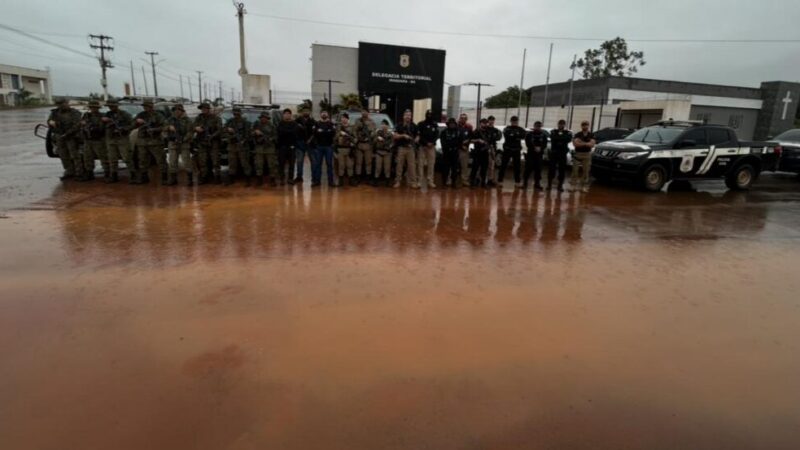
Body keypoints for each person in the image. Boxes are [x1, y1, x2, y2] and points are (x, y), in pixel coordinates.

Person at [47, 99, 83, 181]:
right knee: (63, 155)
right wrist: (50, 122)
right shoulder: (55, 112)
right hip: (59, 136)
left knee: (74, 155)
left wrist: (67, 133)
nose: (61, 106)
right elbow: (49, 121)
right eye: (59, 104)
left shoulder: (74, 112)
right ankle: (69, 171)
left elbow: (77, 125)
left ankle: (79, 172)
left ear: (67, 103)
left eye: (62, 104)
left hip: (71, 136)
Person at [133, 100, 166, 185]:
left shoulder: (158, 115)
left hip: (155, 141)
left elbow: (164, 126)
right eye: (144, 106)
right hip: (142, 141)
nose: (145, 108)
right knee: (142, 159)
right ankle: (144, 177)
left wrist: (154, 129)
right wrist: (137, 122)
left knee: (160, 159)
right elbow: (132, 124)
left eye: (147, 106)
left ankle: (165, 177)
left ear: (151, 107)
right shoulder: (141, 115)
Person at [102, 98, 134, 184]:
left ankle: (133, 174)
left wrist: (123, 129)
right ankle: (114, 175)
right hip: (111, 138)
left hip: (122, 138)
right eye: (109, 106)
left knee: (126, 157)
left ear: (116, 105)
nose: (110, 107)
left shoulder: (124, 114)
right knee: (112, 158)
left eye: (112, 106)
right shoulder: (107, 114)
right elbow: (102, 126)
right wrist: (105, 122)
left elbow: (132, 125)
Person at [192, 102, 223, 184]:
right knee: (202, 161)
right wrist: (196, 128)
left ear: (208, 109)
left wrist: (212, 136)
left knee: (215, 160)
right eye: (202, 109)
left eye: (205, 108)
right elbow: (192, 126)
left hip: (213, 142)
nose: (203, 110)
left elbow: (220, 129)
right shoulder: (199, 118)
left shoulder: (215, 118)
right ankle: (204, 177)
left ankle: (217, 177)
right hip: (202, 142)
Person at [164, 104, 193, 186]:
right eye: (175, 110)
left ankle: (189, 179)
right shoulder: (169, 120)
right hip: (173, 143)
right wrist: (168, 128)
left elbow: (190, 132)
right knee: (172, 161)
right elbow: (163, 130)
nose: (177, 111)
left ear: (182, 111)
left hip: (184, 143)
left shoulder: (187, 120)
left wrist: (183, 139)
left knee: (186, 161)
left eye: (178, 110)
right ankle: (173, 179)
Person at [223, 107, 252, 185]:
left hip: (242, 146)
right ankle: (231, 179)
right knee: (232, 163)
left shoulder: (246, 122)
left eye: (237, 113)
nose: (236, 115)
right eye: (234, 113)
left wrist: (243, 140)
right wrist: (229, 133)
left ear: (240, 113)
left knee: (245, 163)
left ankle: (247, 179)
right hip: (232, 146)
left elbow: (248, 134)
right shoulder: (230, 122)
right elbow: (223, 130)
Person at [79, 100, 107, 181]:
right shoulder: (86, 115)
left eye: (94, 107)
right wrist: (83, 124)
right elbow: (81, 124)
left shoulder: (102, 116)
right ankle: (89, 173)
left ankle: (107, 172)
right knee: (87, 157)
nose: (93, 109)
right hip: (88, 140)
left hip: (98, 139)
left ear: (97, 108)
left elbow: (102, 128)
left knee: (103, 156)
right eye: (91, 107)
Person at [393, 109, 419, 189]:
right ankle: (398, 181)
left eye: (409, 115)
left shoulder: (414, 125)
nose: (408, 117)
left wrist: (416, 139)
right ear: (403, 116)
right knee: (399, 165)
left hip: (410, 148)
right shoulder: (399, 125)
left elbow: (418, 135)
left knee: (412, 166)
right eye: (406, 115)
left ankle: (413, 182)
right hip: (401, 148)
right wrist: (403, 135)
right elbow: (395, 136)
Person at [310, 110, 336, 187]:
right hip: (319, 147)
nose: (324, 114)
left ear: (328, 114)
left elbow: (332, 133)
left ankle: (331, 182)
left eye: (325, 113)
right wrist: (326, 131)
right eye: (323, 113)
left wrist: (321, 131)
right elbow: (315, 133)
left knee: (329, 164)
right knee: (318, 164)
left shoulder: (331, 124)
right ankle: (317, 181)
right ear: (320, 114)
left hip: (329, 147)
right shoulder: (317, 124)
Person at [498, 116, 526, 188]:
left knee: (517, 167)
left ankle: (517, 182)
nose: (514, 122)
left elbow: (523, 135)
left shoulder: (520, 129)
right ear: (511, 121)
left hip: (516, 150)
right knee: (503, 166)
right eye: (513, 121)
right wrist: (516, 136)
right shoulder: (507, 128)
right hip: (508, 149)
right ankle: (500, 181)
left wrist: (514, 135)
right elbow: (508, 136)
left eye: (515, 121)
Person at [251, 112, 277, 187]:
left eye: (265, 117)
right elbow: (250, 133)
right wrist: (255, 132)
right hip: (259, 148)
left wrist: (269, 139)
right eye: (262, 117)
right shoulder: (256, 124)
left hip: (270, 148)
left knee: (271, 164)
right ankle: (259, 179)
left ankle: (272, 179)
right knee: (259, 164)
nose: (263, 118)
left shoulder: (272, 126)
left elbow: (276, 136)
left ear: (267, 118)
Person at [439, 117, 467, 187]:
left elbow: (460, 142)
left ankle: (454, 182)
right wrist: (447, 148)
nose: (452, 125)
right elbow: (443, 142)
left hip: (455, 153)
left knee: (455, 169)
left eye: (453, 124)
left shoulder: (458, 132)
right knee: (445, 168)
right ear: (448, 124)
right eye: (450, 124)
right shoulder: (444, 132)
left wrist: (459, 146)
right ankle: (444, 182)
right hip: (447, 153)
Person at [522, 121, 548, 191]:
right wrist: (534, 148)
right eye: (536, 126)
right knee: (528, 169)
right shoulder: (529, 134)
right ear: (534, 126)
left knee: (538, 169)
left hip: (539, 154)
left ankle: (537, 183)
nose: (538, 127)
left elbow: (545, 144)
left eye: (539, 126)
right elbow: (527, 143)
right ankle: (525, 183)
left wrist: (541, 148)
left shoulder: (543, 135)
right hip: (531, 154)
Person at [571, 120, 596, 193]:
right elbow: (575, 144)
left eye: (586, 125)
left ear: (588, 126)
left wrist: (581, 142)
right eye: (583, 125)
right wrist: (586, 143)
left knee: (586, 171)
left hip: (587, 154)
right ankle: (573, 186)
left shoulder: (591, 135)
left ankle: (583, 187)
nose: (585, 126)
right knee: (575, 171)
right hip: (577, 153)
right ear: (581, 126)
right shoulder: (578, 134)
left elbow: (592, 144)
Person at [417, 109, 439, 189]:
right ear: (426, 115)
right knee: (420, 164)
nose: (429, 116)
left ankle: (430, 181)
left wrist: (432, 143)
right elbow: (419, 135)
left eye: (431, 114)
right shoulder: (421, 124)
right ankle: (419, 181)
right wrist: (426, 143)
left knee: (431, 164)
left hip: (432, 147)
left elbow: (436, 135)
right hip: (422, 146)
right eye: (428, 114)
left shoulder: (435, 124)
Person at [276, 108, 299, 185]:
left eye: (288, 114)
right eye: (285, 114)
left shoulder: (294, 123)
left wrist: (286, 131)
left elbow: (294, 133)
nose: (287, 115)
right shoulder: (280, 123)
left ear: (290, 115)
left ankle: (290, 179)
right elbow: (280, 132)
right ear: (283, 115)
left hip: (292, 146)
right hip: (282, 146)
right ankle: (282, 179)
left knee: (291, 164)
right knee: (281, 163)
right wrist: (288, 131)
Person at [548, 119, 572, 192]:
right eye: (560, 124)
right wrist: (562, 139)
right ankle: (549, 185)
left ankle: (560, 186)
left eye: (562, 124)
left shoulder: (568, 133)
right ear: (557, 124)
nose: (561, 125)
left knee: (562, 170)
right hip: (554, 153)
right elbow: (553, 138)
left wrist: (558, 139)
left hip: (562, 153)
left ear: (564, 125)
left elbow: (568, 139)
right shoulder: (553, 131)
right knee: (551, 169)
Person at [353, 109, 376, 184]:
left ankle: (368, 178)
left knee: (368, 162)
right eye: (363, 111)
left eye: (365, 111)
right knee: (358, 162)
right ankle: (357, 178)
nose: (364, 113)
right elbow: (354, 131)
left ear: (368, 113)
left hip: (368, 144)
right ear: (361, 112)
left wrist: (370, 136)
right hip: (359, 144)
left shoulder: (371, 121)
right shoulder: (357, 121)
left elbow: (374, 131)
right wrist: (356, 138)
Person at [294, 107, 316, 184]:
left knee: (313, 161)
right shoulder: (297, 121)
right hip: (300, 144)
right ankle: (299, 177)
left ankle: (314, 178)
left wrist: (310, 139)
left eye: (307, 111)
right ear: (302, 112)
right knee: (299, 161)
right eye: (304, 111)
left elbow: (315, 133)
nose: (306, 112)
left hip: (311, 144)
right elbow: (294, 132)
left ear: (310, 112)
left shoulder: (313, 121)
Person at [334, 112, 356, 187]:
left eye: (345, 118)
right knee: (341, 165)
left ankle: (351, 180)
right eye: (342, 118)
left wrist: (352, 141)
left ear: (347, 119)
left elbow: (355, 138)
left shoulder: (352, 127)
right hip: (340, 149)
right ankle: (340, 181)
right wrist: (339, 134)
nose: (343, 120)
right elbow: (335, 138)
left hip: (349, 149)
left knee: (349, 165)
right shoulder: (338, 127)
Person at [469, 119, 491, 188]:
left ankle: (483, 183)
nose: (485, 124)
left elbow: (491, 141)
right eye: (483, 123)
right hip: (478, 152)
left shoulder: (488, 132)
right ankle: (472, 183)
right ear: (480, 123)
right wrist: (478, 140)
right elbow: (470, 140)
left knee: (484, 169)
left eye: (486, 123)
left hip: (485, 152)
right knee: (475, 168)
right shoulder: (477, 131)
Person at [372, 119, 393, 186]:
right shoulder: (378, 132)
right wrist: (377, 137)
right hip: (379, 152)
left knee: (387, 168)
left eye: (384, 124)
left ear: (387, 126)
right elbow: (373, 141)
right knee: (378, 167)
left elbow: (392, 143)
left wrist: (389, 147)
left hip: (387, 153)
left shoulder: (390, 134)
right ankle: (376, 181)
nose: (383, 126)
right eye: (382, 124)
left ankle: (387, 182)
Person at [485, 115, 502, 186]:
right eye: (490, 120)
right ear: (488, 121)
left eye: (492, 120)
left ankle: (490, 180)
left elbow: (498, 138)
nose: (491, 121)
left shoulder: (496, 130)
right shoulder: (484, 129)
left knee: (491, 165)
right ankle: (480, 179)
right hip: (485, 148)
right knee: (483, 165)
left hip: (492, 149)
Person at [457, 113, 474, 187]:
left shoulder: (469, 127)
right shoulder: (456, 127)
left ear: (466, 119)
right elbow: (454, 139)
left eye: (464, 118)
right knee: (454, 166)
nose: (463, 119)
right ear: (459, 119)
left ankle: (464, 180)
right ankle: (452, 180)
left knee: (464, 166)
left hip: (465, 150)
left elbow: (471, 137)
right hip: (456, 149)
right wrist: (461, 144)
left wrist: (468, 141)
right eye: (461, 118)